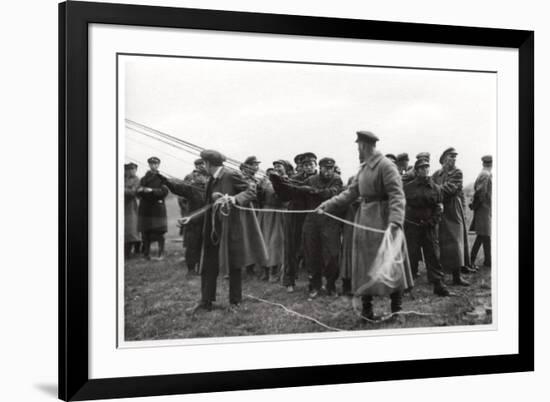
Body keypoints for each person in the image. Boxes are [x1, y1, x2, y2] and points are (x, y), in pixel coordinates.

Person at [317, 131, 413, 320]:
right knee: (364, 264)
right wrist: (327, 204)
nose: (358, 151)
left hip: (384, 221)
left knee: (390, 262)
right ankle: (367, 310)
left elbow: (397, 195)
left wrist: (395, 221)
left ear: (365, 146)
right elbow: (350, 193)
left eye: (359, 146)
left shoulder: (386, 165)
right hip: (364, 219)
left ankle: (397, 309)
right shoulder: (362, 169)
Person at [161, 150, 268, 312]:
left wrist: (234, 198)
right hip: (213, 228)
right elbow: (210, 206)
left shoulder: (231, 175)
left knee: (234, 264)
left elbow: (251, 191)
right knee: (208, 264)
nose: (202, 166)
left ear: (208, 163)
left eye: (203, 163)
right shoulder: (211, 179)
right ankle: (206, 302)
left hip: (232, 228)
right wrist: (192, 218)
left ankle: (235, 302)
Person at [272, 157, 343, 297]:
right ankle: (314, 286)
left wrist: (313, 191)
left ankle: (330, 285)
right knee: (311, 255)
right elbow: (293, 191)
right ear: (320, 168)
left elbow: (332, 193)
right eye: (325, 168)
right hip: (311, 221)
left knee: (332, 255)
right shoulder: (311, 179)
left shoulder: (336, 179)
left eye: (330, 168)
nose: (328, 171)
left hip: (330, 221)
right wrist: (279, 182)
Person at [271, 152, 318, 293]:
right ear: (301, 167)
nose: (308, 167)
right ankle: (289, 281)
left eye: (310, 164)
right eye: (304, 165)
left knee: (312, 251)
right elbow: (285, 196)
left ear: (315, 164)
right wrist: (277, 183)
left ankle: (314, 283)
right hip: (295, 217)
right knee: (291, 249)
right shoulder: (294, 178)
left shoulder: (319, 179)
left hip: (313, 217)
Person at [404, 159, 450, 296]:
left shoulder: (436, 188)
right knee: (411, 255)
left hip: (429, 227)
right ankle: (407, 285)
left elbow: (439, 207)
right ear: (416, 171)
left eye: (427, 168)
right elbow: (403, 205)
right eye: (422, 168)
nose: (425, 170)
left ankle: (438, 285)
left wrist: (431, 222)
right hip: (412, 227)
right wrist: (408, 221)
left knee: (433, 256)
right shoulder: (408, 187)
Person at [431, 147, 471, 285]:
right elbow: (431, 187)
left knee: (455, 242)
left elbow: (450, 189)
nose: (453, 159)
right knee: (441, 243)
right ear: (443, 159)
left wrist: (434, 190)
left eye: (455, 157)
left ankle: (457, 276)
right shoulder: (437, 174)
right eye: (451, 156)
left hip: (453, 210)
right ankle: (440, 275)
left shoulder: (457, 173)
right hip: (440, 210)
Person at [257, 160, 288, 282]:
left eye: (279, 166)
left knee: (276, 243)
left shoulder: (287, 180)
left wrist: (274, 183)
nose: (277, 169)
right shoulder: (266, 181)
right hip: (266, 213)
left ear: (285, 168)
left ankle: (274, 272)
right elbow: (259, 198)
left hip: (279, 213)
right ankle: (265, 270)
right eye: (275, 167)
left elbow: (282, 197)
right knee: (264, 241)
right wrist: (259, 188)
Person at [178, 158, 209, 275]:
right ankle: (191, 268)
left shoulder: (208, 183)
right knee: (192, 244)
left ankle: (201, 266)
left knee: (203, 243)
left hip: (204, 218)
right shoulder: (190, 182)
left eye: (203, 164)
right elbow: (182, 197)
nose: (201, 167)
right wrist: (187, 213)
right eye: (199, 165)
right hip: (192, 216)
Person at [137, 157, 169, 260]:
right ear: (149, 165)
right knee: (145, 232)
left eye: (155, 164)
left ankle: (161, 253)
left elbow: (164, 192)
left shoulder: (162, 178)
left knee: (159, 232)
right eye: (151, 164)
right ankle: (146, 254)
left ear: (159, 165)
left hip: (157, 208)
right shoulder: (144, 178)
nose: (153, 166)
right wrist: (141, 190)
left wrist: (151, 190)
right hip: (146, 207)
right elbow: (138, 192)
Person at [469, 155, 492, 269]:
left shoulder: (484, 173)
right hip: (484, 207)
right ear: (491, 164)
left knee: (486, 235)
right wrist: (478, 205)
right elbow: (481, 192)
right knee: (482, 235)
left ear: (484, 163)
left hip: (484, 207)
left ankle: (488, 261)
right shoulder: (486, 174)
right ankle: (471, 260)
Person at [124, 162, 141, 258]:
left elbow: (133, 192)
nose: (132, 171)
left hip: (131, 206)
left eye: (133, 169)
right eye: (129, 169)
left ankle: (130, 252)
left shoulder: (136, 179)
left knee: (131, 229)